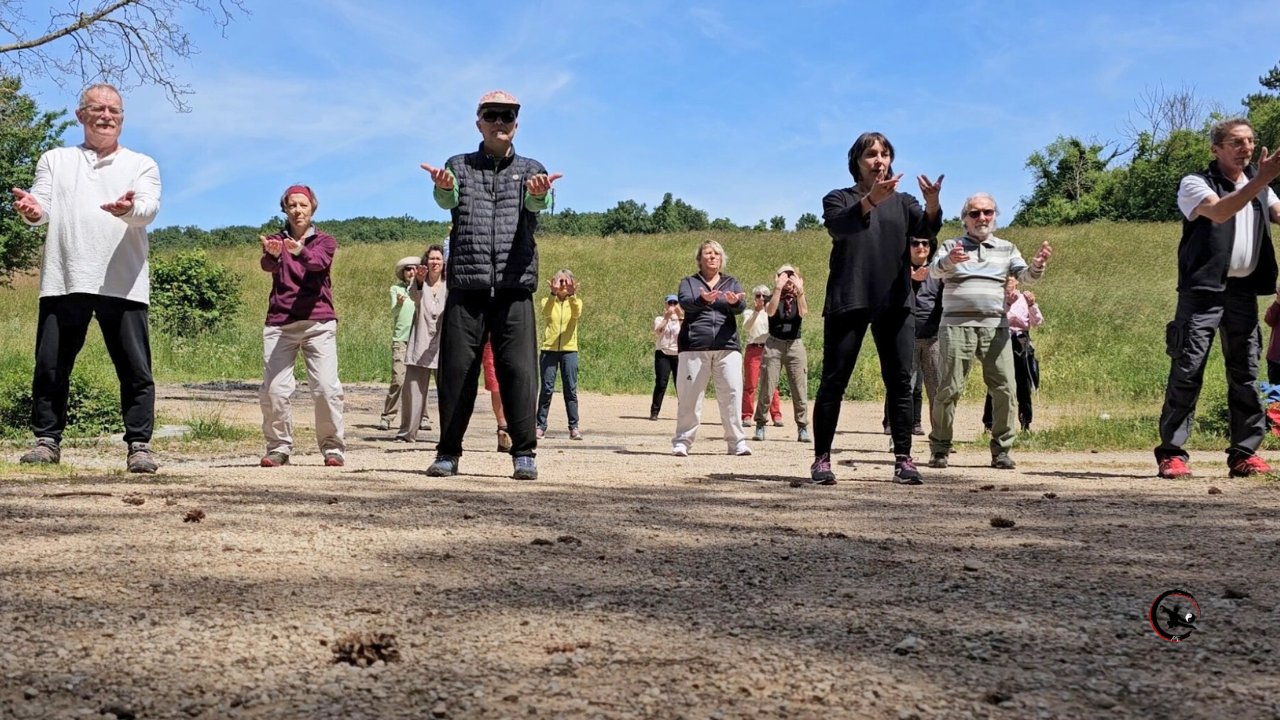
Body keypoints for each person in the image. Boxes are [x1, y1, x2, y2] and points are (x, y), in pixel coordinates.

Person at [11, 83, 161, 473]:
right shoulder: (55, 159)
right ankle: (47, 441)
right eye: (98, 108)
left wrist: (128, 208)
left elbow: (147, 209)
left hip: (124, 282)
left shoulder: (142, 163)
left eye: (114, 110)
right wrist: (30, 210)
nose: (106, 116)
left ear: (122, 118)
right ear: (81, 115)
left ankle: (139, 446)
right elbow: (40, 206)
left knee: (134, 369)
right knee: (51, 366)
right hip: (65, 277)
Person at [419, 90, 561, 480]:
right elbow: (445, 198)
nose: (501, 122)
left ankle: (524, 452)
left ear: (517, 123)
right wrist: (444, 186)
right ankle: (448, 452)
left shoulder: (532, 169)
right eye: (492, 115)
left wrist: (539, 194)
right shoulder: (459, 165)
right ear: (478, 121)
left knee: (519, 372)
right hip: (468, 284)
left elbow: (537, 207)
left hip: (515, 286)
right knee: (456, 373)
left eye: (508, 116)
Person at [809, 131, 943, 486]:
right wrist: (870, 201)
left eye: (884, 154)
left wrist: (931, 204)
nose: (879, 160)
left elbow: (927, 233)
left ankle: (903, 459)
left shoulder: (904, 202)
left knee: (900, 383)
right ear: (857, 162)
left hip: (895, 301)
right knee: (834, 381)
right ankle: (822, 460)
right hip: (849, 298)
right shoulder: (838, 198)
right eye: (871, 154)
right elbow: (840, 227)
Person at [1155, 118, 1280, 479]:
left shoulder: (1261, 185)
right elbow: (1221, 211)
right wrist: (1261, 180)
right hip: (1202, 292)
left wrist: (1261, 182)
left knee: (1246, 372)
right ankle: (1172, 453)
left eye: (1251, 141)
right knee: (1188, 368)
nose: (1247, 148)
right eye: (1237, 142)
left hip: (1242, 292)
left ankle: (1244, 453)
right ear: (1216, 149)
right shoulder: (1195, 183)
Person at [927, 193, 1051, 471]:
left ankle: (1002, 451)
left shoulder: (1006, 248)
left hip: (995, 327)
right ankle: (940, 449)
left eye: (988, 212)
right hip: (957, 327)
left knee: (1006, 388)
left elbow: (1026, 275)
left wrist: (1038, 264)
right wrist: (950, 261)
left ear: (995, 215)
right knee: (949, 388)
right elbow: (934, 271)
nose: (982, 218)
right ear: (965, 220)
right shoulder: (952, 244)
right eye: (975, 213)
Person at [256, 184, 346, 467]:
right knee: (274, 390)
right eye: (292, 205)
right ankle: (279, 447)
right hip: (281, 324)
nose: (297, 210)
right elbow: (268, 266)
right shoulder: (275, 240)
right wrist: (272, 255)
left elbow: (318, 264)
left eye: (303, 205)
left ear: (312, 208)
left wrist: (298, 251)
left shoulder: (325, 241)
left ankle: (332, 448)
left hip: (318, 322)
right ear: (284, 209)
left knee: (325, 389)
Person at [672, 240, 751, 457]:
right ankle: (682, 442)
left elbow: (741, 306)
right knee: (690, 397)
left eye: (716, 253)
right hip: (694, 346)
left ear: (721, 258)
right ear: (700, 258)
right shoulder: (688, 282)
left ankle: (737, 443)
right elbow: (685, 302)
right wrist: (703, 299)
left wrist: (734, 303)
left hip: (727, 346)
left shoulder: (731, 282)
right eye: (708, 253)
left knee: (732, 394)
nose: (712, 256)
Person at [882, 238, 937, 436]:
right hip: (906, 338)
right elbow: (888, 299)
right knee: (903, 386)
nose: (921, 247)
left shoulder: (937, 273)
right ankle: (896, 432)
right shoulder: (898, 271)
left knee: (936, 390)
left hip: (933, 338)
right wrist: (911, 281)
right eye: (915, 243)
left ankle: (939, 437)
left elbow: (943, 303)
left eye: (925, 243)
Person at [753, 264, 810, 443]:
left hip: (794, 345)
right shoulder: (772, 297)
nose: (788, 279)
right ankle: (760, 424)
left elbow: (803, 312)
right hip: (774, 344)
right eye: (784, 275)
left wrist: (799, 291)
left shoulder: (798, 297)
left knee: (799, 388)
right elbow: (770, 311)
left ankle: (802, 426)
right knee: (767, 385)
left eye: (791, 275)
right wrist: (778, 288)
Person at [397, 245, 447, 442]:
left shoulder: (449, 285)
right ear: (425, 262)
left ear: (444, 263)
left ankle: (449, 434)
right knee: (413, 391)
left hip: (442, 344)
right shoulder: (420, 283)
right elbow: (413, 297)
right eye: (431, 259)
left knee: (448, 392)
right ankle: (407, 433)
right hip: (420, 340)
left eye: (438, 259)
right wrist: (418, 280)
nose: (435, 262)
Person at [982, 277, 1043, 432]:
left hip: (1021, 342)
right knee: (997, 382)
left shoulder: (1025, 298)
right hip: (1001, 340)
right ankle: (989, 423)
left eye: (1012, 277)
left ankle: (1025, 423)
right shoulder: (995, 298)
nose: (1008, 280)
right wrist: (1008, 305)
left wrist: (1032, 305)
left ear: (1017, 281)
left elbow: (1037, 322)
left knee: (1023, 384)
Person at [536, 269, 583, 439]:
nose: (563, 285)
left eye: (566, 281)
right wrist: (552, 294)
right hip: (549, 350)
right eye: (560, 281)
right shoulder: (547, 301)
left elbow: (577, 313)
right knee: (547, 389)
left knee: (570, 389)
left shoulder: (576, 302)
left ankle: (574, 426)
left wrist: (571, 296)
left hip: (569, 350)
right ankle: (540, 426)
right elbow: (546, 312)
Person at [379, 257, 419, 431]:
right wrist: (400, 303)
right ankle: (388, 416)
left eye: (414, 268)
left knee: (419, 381)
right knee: (399, 379)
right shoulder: (396, 289)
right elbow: (394, 312)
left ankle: (421, 418)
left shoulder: (423, 289)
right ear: (403, 272)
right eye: (408, 269)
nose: (411, 272)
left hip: (419, 339)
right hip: (401, 339)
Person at [741, 284, 783, 428]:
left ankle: (776, 415)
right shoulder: (748, 312)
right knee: (750, 384)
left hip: (769, 348)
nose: (761, 298)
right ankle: (747, 415)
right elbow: (747, 327)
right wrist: (756, 312)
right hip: (754, 349)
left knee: (772, 384)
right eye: (758, 295)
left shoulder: (772, 312)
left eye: (764, 296)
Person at [650, 294, 683, 420]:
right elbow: (658, 331)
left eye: (675, 303)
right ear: (665, 304)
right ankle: (654, 411)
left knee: (680, 384)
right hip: (663, 353)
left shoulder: (682, 320)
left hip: (678, 354)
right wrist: (666, 317)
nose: (672, 306)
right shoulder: (659, 318)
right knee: (661, 383)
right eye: (670, 303)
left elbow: (687, 332)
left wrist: (680, 317)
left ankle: (684, 412)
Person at [1265, 286, 1280, 385]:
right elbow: (1269, 320)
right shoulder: (1277, 307)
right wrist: (1278, 302)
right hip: (1275, 358)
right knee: (1275, 393)